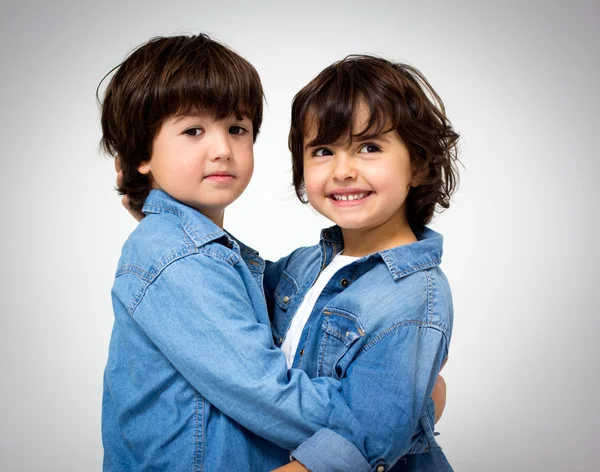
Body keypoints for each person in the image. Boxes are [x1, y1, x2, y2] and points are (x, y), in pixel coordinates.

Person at [101, 33, 445, 472]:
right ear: (140, 154)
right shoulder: (175, 255)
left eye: (237, 129)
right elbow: (265, 390)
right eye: (193, 131)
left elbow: (248, 281)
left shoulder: (199, 254)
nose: (222, 149)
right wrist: (406, 413)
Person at [263, 55, 460, 471]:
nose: (343, 170)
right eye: (323, 151)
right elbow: (227, 279)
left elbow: (361, 438)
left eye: (369, 147)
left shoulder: (415, 296)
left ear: (419, 164)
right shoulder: (303, 266)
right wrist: (170, 213)